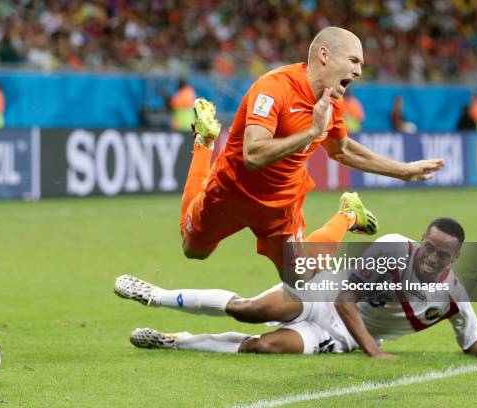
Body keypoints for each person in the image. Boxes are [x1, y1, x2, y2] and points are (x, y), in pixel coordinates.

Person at [181, 26, 443, 276]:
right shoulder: (274, 88)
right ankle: (204, 141)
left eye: (360, 64)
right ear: (325, 55)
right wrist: (310, 132)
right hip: (231, 191)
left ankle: (349, 214)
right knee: (193, 250)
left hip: (281, 207)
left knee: (302, 278)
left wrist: (404, 171)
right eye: (353, 60)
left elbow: (341, 150)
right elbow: (253, 155)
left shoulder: (333, 104)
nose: (359, 71)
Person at [115, 218, 477, 360]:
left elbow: (471, 340)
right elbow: (346, 299)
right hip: (324, 293)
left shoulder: (453, 296)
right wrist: (374, 350)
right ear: (420, 240)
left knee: (264, 347)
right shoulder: (395, 248)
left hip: (338, 336)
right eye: (428, 246)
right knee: (249, 309)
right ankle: (156, 295)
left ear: (455, 258)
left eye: (442, 254)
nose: (430, 256)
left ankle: (175, 342)